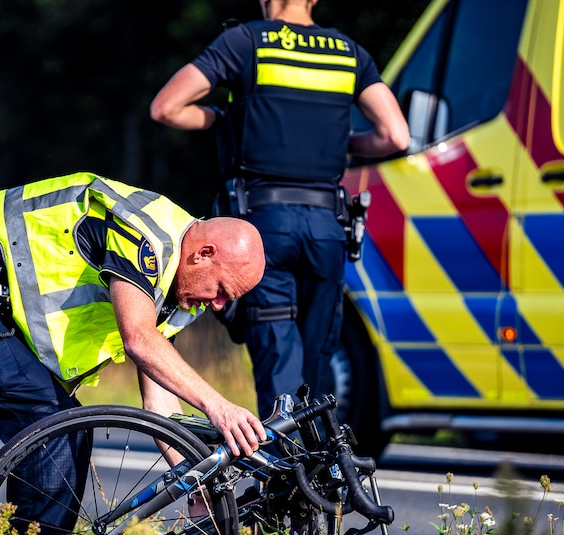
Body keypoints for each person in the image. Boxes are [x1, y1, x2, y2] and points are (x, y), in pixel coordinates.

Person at [0, 172, 266, 535]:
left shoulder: (172, 284)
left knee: (60, 429)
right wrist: (218, 407)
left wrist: (194, 481)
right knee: (56, 430)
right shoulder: (146, 238)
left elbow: (160, 404)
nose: (218, 306)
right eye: (222, 290)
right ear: (204, 253)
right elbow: (139, 339)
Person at [150, 0, 409, 416]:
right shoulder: (349, 53)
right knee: (317, 370)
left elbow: (166, 107)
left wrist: (224, 120)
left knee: (280, 369)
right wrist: (336, 143)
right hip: (327, 229)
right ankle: (316, 457)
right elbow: (396, 136)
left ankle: (285, 458)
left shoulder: (246, 41)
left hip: (264, 230)